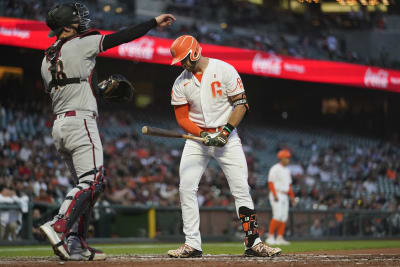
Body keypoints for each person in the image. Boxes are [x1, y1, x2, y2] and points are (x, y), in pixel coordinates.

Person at [39, 2, 175, 261]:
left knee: (89, 186)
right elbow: (121, 37)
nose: (82, 21)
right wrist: (154, 22)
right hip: (81, 122)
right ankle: (58, 224)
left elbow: (68, 88)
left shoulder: (47, 58)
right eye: (77, 19)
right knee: (93, 181)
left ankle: (76, 243)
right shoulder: (82, 43)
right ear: (67, 27)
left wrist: (98, 91)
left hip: (59, 126)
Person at [167, 35, 282, 258]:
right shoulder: (180, 82)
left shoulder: (225, 69)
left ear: (195, 53)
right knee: (186, 188)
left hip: (227, 138)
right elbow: (182, 119)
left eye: (184, 59)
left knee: (241, 189)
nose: (182, 64)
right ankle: (192, 244)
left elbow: (241, 104)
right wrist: (202, 134)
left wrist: (225, 132)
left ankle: (253, 242)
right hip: (197, 141)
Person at [266, 149, 296, 245]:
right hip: (277, 194)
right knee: (277, 216)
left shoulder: (287, 170)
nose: (288, 160)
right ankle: (270, 237)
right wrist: (274, 194)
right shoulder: (275, 168)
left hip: (285, 195)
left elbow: (289, 185)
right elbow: (270, 182)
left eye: (288, 158)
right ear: (281, 158)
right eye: (286, 158)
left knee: (284, 217)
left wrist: (292, 197)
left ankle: (280, 237)